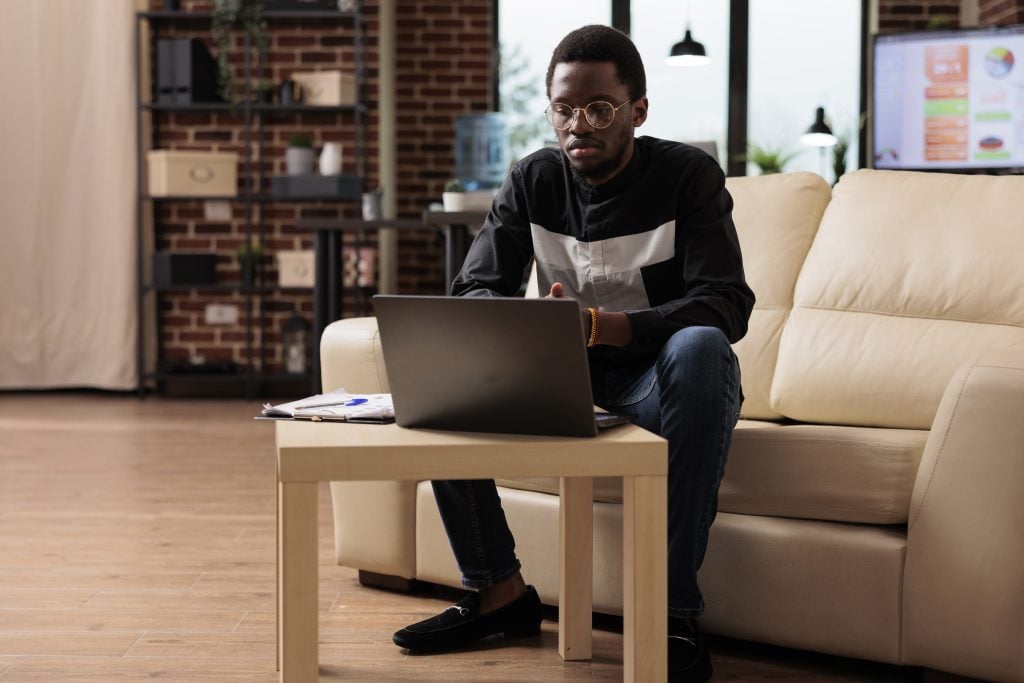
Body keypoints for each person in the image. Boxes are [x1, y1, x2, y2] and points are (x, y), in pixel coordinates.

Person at [392, 24, 755, 683]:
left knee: (702, 349)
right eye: (563, 109)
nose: (578, 124)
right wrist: (522, 324)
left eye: (598, 108)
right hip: (558, 377)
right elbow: (472, 286)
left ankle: (669, 611)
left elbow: (725, 303)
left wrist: (602, 327)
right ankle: (498, 592)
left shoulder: (687, 176)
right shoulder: (534, 178)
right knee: (451, 351)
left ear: (637, 111)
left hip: (655, 380)